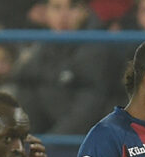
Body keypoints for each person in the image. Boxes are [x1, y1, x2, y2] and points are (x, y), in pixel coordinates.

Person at [13, 0, 115, 135]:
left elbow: (87, 109)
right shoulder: (45, 44)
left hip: (85, 140)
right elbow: (23, 78)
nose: (63, 15)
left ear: (85, 12)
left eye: (72, 8)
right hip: (50, 133)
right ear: (46, 13)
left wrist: (50, 143)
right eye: (56, 8)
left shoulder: (97, 47)